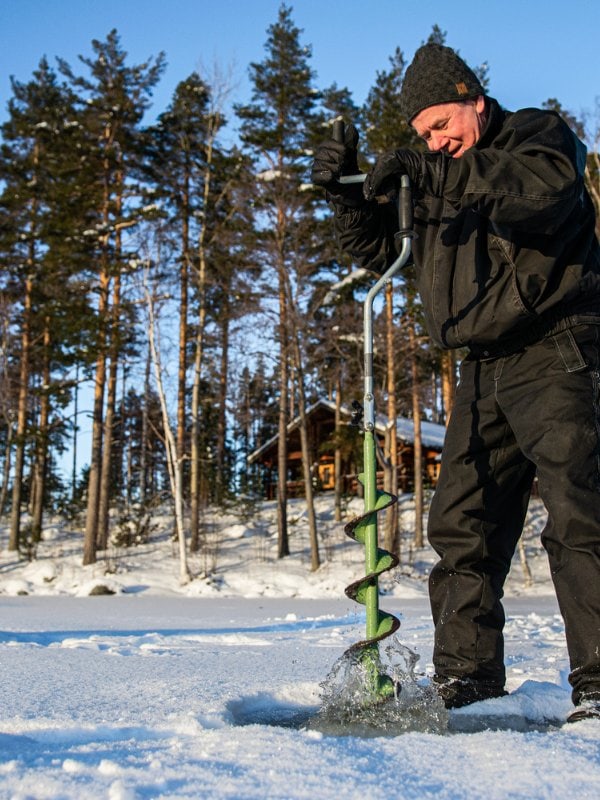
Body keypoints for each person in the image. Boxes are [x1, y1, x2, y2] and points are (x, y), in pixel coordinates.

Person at [311, 43, 600, 722]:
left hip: (555, 346)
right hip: (481, 364)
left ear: (473, 96)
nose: (437, 142)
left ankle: (597, 684)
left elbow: (539, 192)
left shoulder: (537, 137)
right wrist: (348, 195)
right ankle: (467, 687)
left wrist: (433, 172)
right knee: (462, 525)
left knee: (579, 511)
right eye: (423, 136)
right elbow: (384, 250)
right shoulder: (441, 175)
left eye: (442, 126)